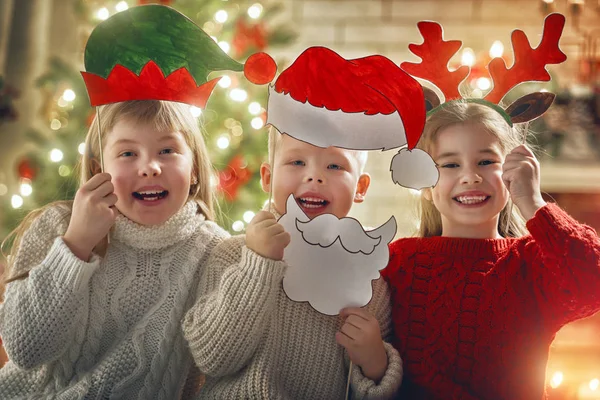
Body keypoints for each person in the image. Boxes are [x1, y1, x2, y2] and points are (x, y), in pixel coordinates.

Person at [0, 100, 229, 399]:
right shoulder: (57, 226)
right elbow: (25, 350)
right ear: (99, 170)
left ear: (195, 167)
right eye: (128, 153)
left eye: (167, 151)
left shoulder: (217, 253)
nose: (150, 167)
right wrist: (76, 245)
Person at [382, 101, 600, 400]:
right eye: (450, 164)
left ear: (512, 172)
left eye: (485, 162)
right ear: (426, 187)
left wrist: (533, 203)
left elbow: (593, 281)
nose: (470, 176)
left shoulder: (533, 263)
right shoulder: (397, 262)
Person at [182, 127, 403, 399]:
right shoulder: (230, 254)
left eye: (334, 165)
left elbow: (364, 391)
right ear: (268, 177)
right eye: (297, 162)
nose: (315, 176)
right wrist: (257, 264)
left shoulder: (368, 282)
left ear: (360, 187)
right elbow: (212, 358)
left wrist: (375, 363)